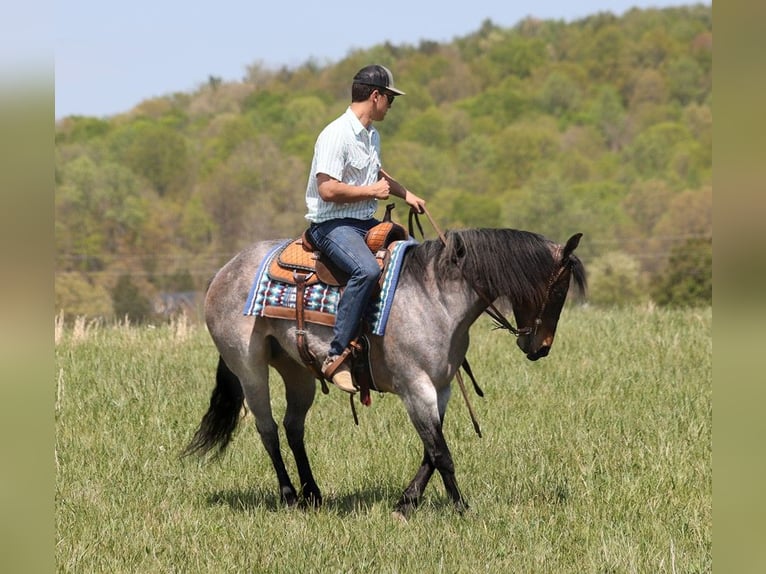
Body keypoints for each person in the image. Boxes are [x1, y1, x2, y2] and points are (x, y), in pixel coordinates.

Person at [304, 64, 426, 394]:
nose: (390, 105)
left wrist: (406, 194)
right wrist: (371, 192)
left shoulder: (372, 135)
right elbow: (327, 189)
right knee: (367, 271)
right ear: (375, 96)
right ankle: (336, 355)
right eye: (390, 99)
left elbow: (377, 173)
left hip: (362, 223)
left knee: (411, 257)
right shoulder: (335, 134)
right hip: (331, 225)